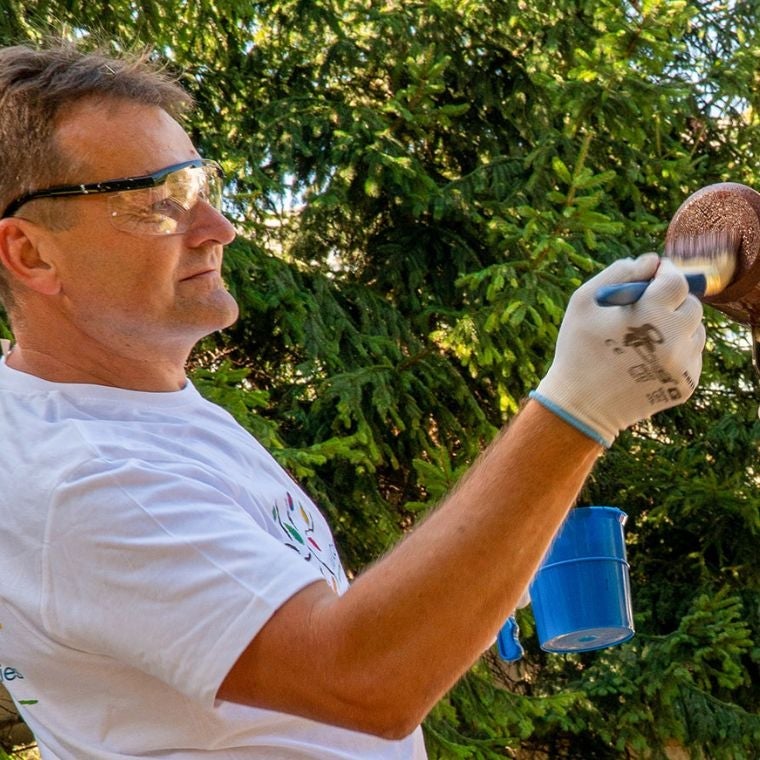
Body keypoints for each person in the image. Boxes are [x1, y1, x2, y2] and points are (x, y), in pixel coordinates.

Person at [0, 40, 705, 760]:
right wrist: (580, 407)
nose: (218, 229)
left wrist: (473, 580)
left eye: (200, 184)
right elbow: (360, 679)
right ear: (30, 253)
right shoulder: (83, 477)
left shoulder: (126, 409)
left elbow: (292, 629)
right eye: (158, 204)